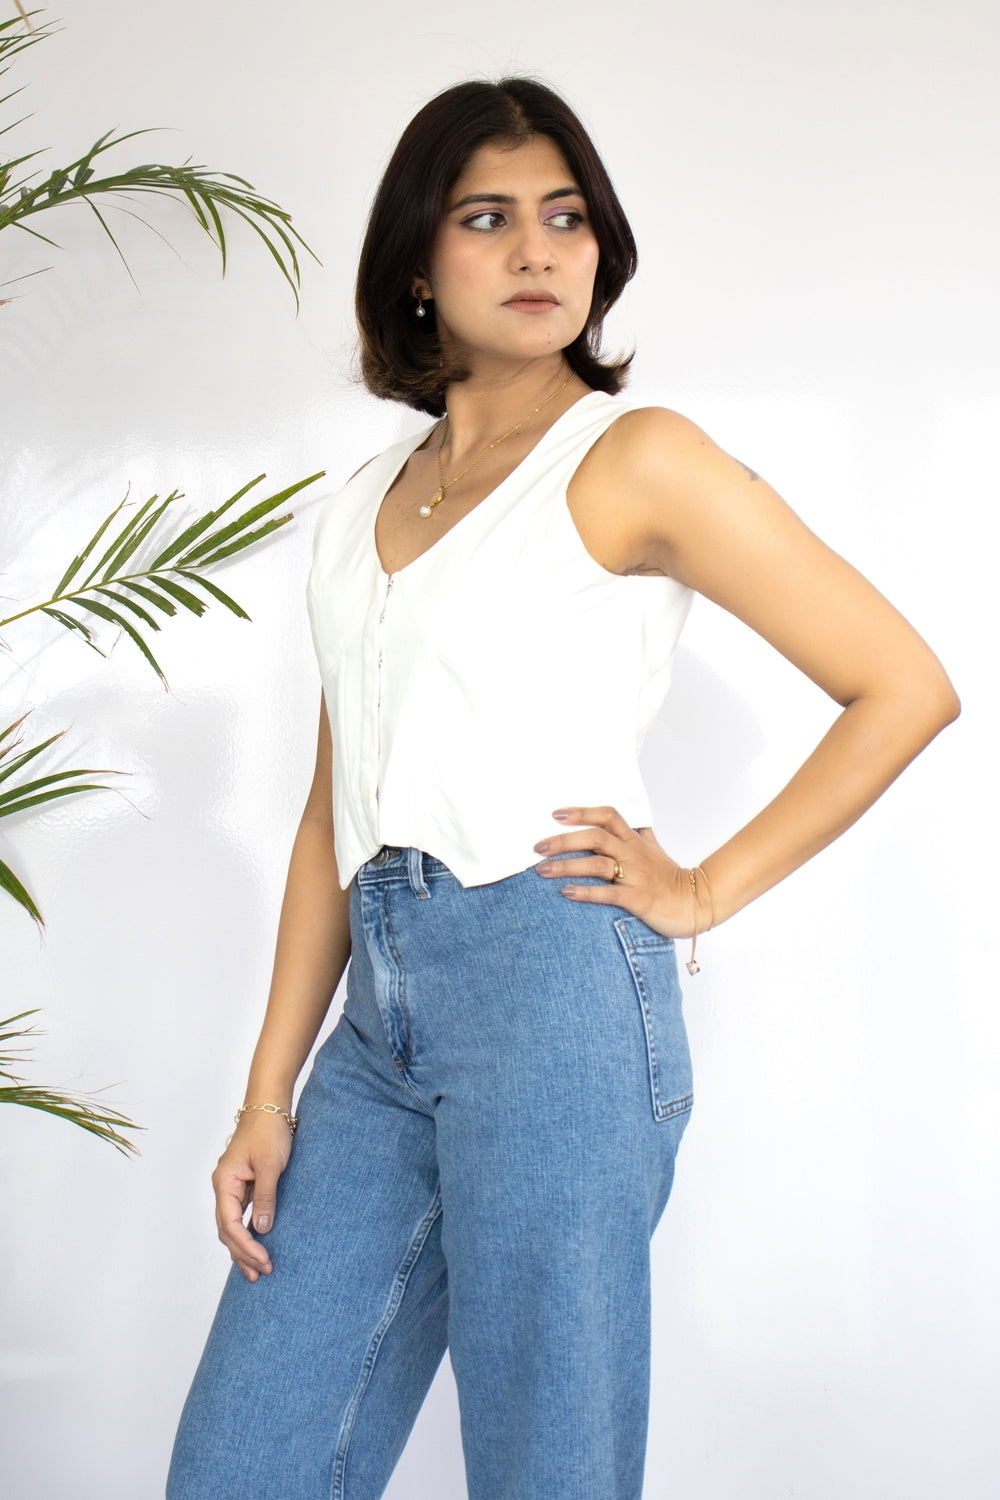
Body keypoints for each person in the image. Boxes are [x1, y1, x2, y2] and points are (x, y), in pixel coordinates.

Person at [166, 76, 958, 1500]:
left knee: (548, 1470)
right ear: (418, 261)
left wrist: (702, 887)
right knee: (241, 1464)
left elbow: (903, 686)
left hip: (556, 1003)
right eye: (487, 218)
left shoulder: (637, 457)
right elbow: (331, 817)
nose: (537, 251)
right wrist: (266, 1096)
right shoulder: (356, 510)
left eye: (566, 217)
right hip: (377, 1029)